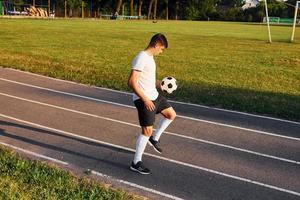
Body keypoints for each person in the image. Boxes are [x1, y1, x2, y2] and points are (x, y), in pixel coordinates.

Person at [127, 33, 176, 175]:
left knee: (171, 115)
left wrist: (161, 84)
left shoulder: (150, 57)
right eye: (161, 49)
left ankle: (154, 139)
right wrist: (145, 99)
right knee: (146, 131)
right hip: (143, 99)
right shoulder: (141, 57)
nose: (161, 52)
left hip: (154, 95)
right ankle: (136, 162)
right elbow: (131, 82)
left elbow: (147, 80)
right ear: (156, 45)